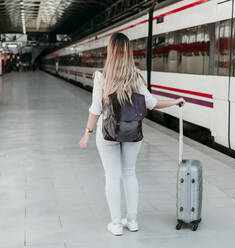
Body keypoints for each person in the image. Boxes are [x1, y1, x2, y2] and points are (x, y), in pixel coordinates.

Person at [78, 32, 184, 236]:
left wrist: (86, 134)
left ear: (110, 50)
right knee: (129, 173)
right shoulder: (136, 76)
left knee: (112, 176)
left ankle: (116, 224)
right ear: (128, 51)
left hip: (107, 132)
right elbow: (151, 103)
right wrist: (175, 101)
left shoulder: (101, 76)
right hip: (132, 131)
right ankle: (133, 221)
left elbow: (96, 109)